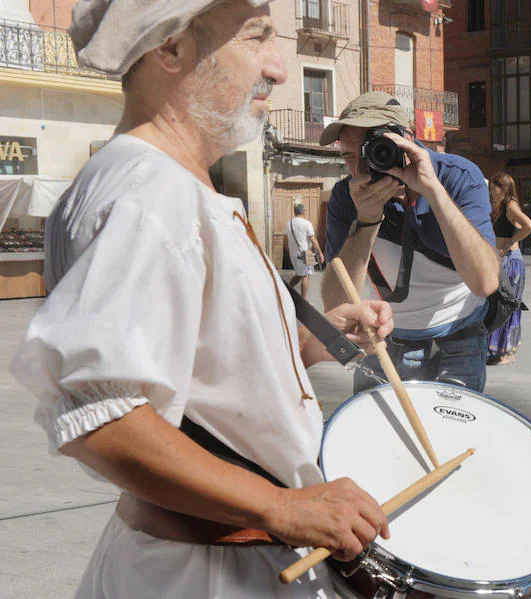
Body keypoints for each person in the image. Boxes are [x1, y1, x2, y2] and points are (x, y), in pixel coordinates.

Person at [9, 2, 395, 597]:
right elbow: (103, 417)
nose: (278, 68)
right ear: (171, 49)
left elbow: (195, 366)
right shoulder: (152, 195)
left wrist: (317, 342)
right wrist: (280, 507)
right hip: (205, 573)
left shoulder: (154, 181)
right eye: (256, 38)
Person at [319, 91, 499, 393]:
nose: (360, 169)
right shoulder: (346, 196)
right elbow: (337, 303)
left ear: (406, 140)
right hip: (384, 338)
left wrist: (434, 192)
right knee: (378, 435)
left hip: (460, 336)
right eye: (349, 157)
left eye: (372, 151)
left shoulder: (456, 176)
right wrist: (367, 220)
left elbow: (485, 282)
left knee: (454, 438)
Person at [487, 172, 531, 365]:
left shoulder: (510, 205)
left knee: (507, 305)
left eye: (494, 187)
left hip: (511, 262)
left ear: (504, 188)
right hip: (500, 261)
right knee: (498, 304)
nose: (491, 191)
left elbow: (529, 225)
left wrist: (511, 242)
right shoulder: (497, 207)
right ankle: (497, 349)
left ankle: (507, 351)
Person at [285, 202, 324, 298]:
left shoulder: (288, 224)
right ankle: (304, 300)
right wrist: (320, 253)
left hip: (293, 254)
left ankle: (287, 291)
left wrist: (289, 251)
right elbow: (313, 239)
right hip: (304, 254)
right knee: (305, 276)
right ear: (304, 211)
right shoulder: (307, 224)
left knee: (299, 274)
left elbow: (285, 240)